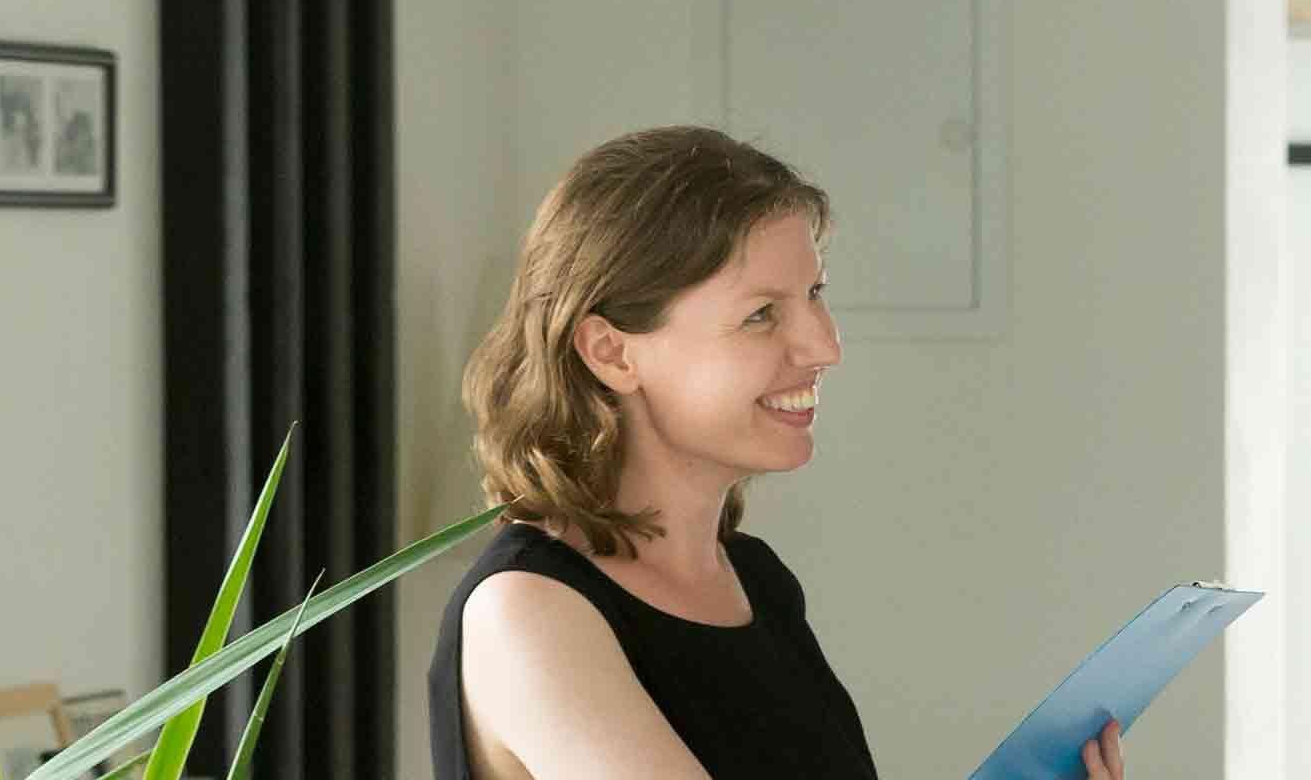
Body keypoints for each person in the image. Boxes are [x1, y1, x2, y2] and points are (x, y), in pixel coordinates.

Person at [425, 126, 1129, 779]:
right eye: (762, 314)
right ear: (612, 351)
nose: (825, 346)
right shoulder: (527, 611)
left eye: (815, 293)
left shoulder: (757, 581)